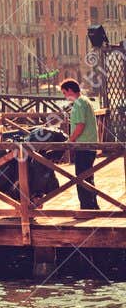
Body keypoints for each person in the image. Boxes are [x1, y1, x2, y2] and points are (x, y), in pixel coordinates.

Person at [61, 78, 100, 211]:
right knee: (88, 177)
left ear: (70, 90)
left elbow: (80, 125)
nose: (65, 97)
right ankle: (93, 206)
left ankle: (86, 208)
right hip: (91, 145)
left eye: (65, 93)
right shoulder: (85, 101)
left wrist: (69, 141)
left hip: (83, 146)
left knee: (81, 179)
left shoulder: (78, 104)